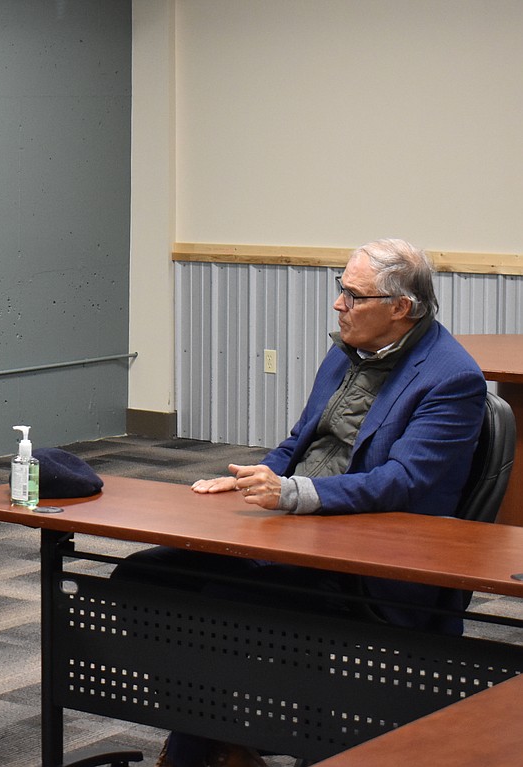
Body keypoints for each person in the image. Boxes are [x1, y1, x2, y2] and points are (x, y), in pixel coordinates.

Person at [117, 239, 487, 767]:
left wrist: (293, 494)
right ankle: (223, 740)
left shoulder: (451, 378)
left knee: (220, 602)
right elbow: (300, 441)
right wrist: (257, 475)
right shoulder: (344, 353)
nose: (339, 304)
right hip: (294, 531)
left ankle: (198, 750)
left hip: (364, 562)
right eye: (341, 289)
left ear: (399, 307)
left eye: (353, 295)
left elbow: (403, 481)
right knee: (143, 579)